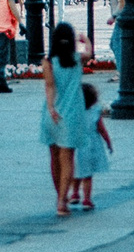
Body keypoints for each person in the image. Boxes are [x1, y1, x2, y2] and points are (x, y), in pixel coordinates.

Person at [39, 21, 102, 218]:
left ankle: (61, 196)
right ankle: (61, 201)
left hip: (52, 115)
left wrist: (51, 107)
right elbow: (89, 53)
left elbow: (50, 86)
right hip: (73, 115)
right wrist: (86, 39)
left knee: (54, 159)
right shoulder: (77, 59)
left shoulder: (48, 62)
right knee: (67, 160)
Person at [72, 81, 112, 207]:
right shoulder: (95, 112)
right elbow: (102, 130)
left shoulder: (74, 112)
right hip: (91, 147)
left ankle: (74, 194)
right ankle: (87, 199)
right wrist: (108, 142)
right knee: (87, 175)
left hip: (77, 145)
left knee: (77, 171)